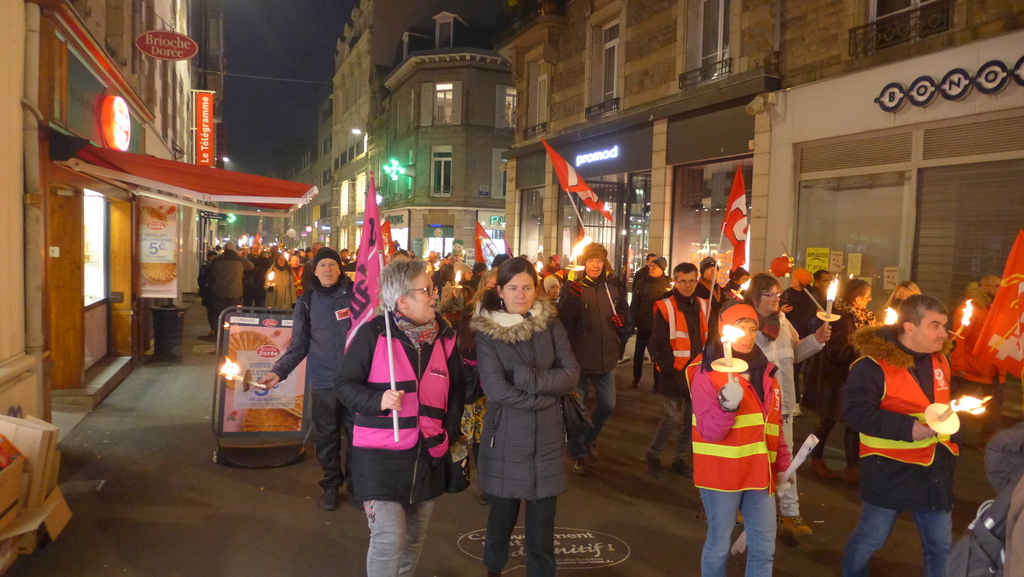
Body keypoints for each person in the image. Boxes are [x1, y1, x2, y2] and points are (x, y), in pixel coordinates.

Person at [336, 259, 468, 577]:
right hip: (379, 458)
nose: (435, 295)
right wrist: (377, 400)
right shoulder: (373, 334)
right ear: (403, 300)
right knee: (388, 538)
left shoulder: (446, 339)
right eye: (427, 290)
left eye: (433, 288)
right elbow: (343, 385)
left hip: (428, 455)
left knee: (413, 538)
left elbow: (457, 394)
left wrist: (447, 434)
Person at [472, 257, 580, 577]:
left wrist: (529, 378)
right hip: (506, 436)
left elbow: (571, 374)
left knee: (542, 532)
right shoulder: (488, 332)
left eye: (528, 287)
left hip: (548, 438)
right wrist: (546, 398)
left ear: (537, 289)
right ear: (500, 291)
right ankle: (494, 568)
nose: (521, 294)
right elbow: (496, 389)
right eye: (513, 288)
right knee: (501, 518)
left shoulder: (551, 324)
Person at [842, 295, 958, 577]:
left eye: (944, 325)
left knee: (941, 546)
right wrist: (909, 429)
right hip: (889, 470)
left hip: (933, 470)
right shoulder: (871, 367)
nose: (944, 333)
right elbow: (857, 415)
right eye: (935, 325)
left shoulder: (940, 360)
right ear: (909, 326)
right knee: (872, 539)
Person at [688, 303, 791, 577]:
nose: (747, 335)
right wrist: (726, 408)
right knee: (720, 545)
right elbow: (711, 431)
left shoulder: (766, 370)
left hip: (759, 474)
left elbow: (774, 426)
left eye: (753, 328)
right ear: (725, 330)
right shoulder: (704, 371)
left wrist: (782, 466)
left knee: (764, 548)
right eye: (740, 328)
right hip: (722, 476)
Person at [259, 248, 354, 510]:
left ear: (339, 268)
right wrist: (278, 371)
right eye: (322, 264)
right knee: (326, 437)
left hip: (356, 381)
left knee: (358, 436)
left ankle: (357, 484)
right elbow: (298, 345)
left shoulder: (357, 295)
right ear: (314, 269)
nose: (327, 269)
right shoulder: (306, 301)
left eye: (332, 264)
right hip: (324, 380)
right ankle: (332, 484)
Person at [744, 273, 831, 537]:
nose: (776, 299)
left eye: (777, 294)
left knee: (788, 460)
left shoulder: (783, 321)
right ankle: (754, 511)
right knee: (758, 460)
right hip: (759, 408)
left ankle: (790, 512)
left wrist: (816, 339)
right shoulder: (747, 326)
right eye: (770, 294)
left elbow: (795, 353)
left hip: (785, 405)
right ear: (756, 296)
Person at [557, 242, 629, 476]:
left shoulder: (613, 284)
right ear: (584, 263)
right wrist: (572, 298)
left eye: (599, 261)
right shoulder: (573, 285)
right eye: (590, 261)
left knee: (608, 404)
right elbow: (563, 318)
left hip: (606, 356)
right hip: (579, 358)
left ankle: (590, 438)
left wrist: (623, 322)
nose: (595, 265)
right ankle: (577, 453)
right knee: (578, 410)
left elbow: (626, 312)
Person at [646, 262, 712, 477]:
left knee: (690, 420)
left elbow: (710, 338)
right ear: (675, 281)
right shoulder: (665, 306)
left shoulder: (704, 305)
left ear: (696, 281)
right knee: (672, 418)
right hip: (674, 373)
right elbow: (659, 342)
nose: (687, 285)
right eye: (682, 281)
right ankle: (654, 454)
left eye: (691, 281)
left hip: (698, 374)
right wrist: (668, 369)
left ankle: (679, 459)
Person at [810, 278, 875, 482]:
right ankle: (816, 458)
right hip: (836, 379)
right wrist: (865, 350)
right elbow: (837, 352)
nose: (869, 300)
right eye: (867, 297)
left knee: (853, 423)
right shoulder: (842, 318)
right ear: (857, 299)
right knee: (827, 422)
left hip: (852, 378)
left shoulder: (863, 317)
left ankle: (853, 467)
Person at [950, 276, 1005, 446]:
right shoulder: (969, 309)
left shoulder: (994, 309)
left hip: (993, 368)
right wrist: (959, 366)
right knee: (961, 407)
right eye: (996, 286)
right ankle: (955, 440)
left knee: (994, 408)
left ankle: (986, 441)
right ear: (984, 287)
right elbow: (958, 339)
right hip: (971, 369)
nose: (999, 289)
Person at [458, 269, 498, 506]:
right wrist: (493, 342)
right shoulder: (470, 312)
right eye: (491, 285)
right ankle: (485, 482)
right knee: (480, 439)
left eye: (499, 285)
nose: (494, 290)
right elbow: (465, 347)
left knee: (501, 437)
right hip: (479, 386)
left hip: (505, 385)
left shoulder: (513, 312)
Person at [630, 256, 671, 389]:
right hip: (643, 323)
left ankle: (657, 382)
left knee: (657, 354)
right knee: (639, 352)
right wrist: (632, 321)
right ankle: (636, 378)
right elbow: (634, 303)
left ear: (661, 269)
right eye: (650, 266)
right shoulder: (642, 282)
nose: (650, 268)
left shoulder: (668, 283)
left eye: (654, 266)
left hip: (659, 325)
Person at [210, 242, 253, 315]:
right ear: (234, 249)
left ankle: (219, 325)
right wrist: (242, 256)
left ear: (224, 249)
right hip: (235, 292)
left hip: (220, 291)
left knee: (219, 314)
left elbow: (210, 267)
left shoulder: (217, 259)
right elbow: (251, 266)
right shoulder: (240, 260)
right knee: (232, 314)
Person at [781, 268, 818, 339]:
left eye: (794, 278)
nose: (790, 280)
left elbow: (811, 312)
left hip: (807, 331)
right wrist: (781, 311)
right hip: (791, 330)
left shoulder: (811, 294)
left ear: (800, 281)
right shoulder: (787, 294)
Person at [197, 250, 218, 336]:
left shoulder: (205, 266)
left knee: (212, 311)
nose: (213, 258)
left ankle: (214, 329)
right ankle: (214, 328)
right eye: (212, 256)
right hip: (211, 292)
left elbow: (200, 279)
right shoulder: (213, 266)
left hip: (209, 292)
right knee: (212, 311)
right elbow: (201, 279)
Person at [243, 242, 271, 307]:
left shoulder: (265, 260)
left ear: (261, 249)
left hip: (260, 287)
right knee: (246, 307)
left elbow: (268, 273)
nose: (255, 250)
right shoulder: (246, 260)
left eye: (257, 248)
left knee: (259, 308)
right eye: (254, 248)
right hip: (248, 287)